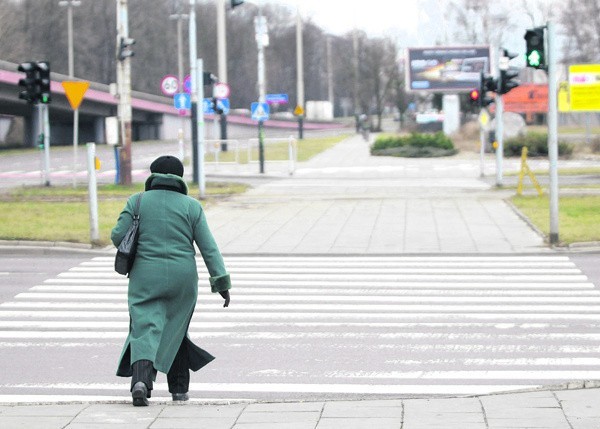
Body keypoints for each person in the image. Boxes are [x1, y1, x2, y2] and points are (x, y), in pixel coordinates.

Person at [111, 155, 231, 406]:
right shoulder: (191, 206)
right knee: (176, 328)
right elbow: (209, 248)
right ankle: (178, 389)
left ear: (153, 175)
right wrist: (221, 283)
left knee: (145, 327)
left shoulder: (137, 201)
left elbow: (117, 236)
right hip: (183, 278)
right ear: (180, 177)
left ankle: (141, 382)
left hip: (145, 276)